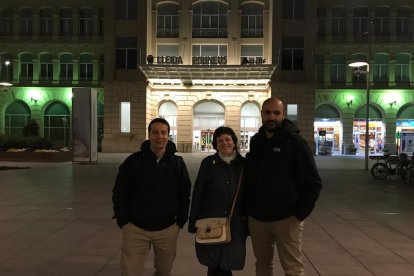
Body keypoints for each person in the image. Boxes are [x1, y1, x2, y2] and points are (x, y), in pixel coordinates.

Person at [245, 98, 322, 276]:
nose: (271, 117)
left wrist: (299, 214)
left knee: (292, 268)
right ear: (262, 114)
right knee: (263, 264)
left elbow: (314, 182)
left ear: (283, 115)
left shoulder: (295, 142)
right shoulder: (257, 140)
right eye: (267, 112)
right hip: (258, 218)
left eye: (276, 113)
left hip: (286, 219)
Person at [112, 118, 191, 276]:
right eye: (155, 132)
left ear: (168, 135)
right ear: (149, 135)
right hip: (136, 229)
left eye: (163, 132)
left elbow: (185, 193)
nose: (159, 136)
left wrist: (180, 221)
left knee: (164, 271)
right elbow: (119, 191)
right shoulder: (134, 161)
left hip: (167, 229)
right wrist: (124, 221)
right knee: (129, 272)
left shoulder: (177, 163)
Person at [188, 126, 247, 276]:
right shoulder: (208, 163)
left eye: (227, 139)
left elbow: (249, 195)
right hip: (211, 221)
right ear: (216, 144)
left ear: (234, 142)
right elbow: (198, 193)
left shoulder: (243, 165)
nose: (224, 143)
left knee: (228, 263)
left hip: (235, 223)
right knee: (213, 264)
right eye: (220, 141)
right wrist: (193, 220)